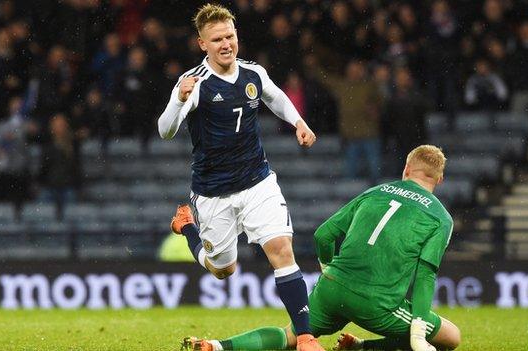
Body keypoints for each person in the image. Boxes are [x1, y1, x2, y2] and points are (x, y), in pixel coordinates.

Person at [157, 4, 322, 351]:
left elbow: (275, 97)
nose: (226, 44)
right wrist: (177, 98)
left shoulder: (253, 74)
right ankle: (187, 227)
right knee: (223, 270)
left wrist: (299, 123)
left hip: (257, 181)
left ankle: (305, 336)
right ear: (203, 44)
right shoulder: (195, 83)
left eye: (229, 36)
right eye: (217, 39)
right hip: (213, 192)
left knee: (281, 249)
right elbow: (165, 131)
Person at [183, 145, 461, 351]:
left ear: (406, 169)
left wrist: (328, 269)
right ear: (439, 180)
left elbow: (323, 234)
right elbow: (426, 276)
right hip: (377, 304)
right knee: (452, 337)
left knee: (291, 336)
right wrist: (418, 333)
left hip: (331, 287)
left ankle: (217, 346)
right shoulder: (440, 218)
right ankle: (365, 347)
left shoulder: (375, 192)